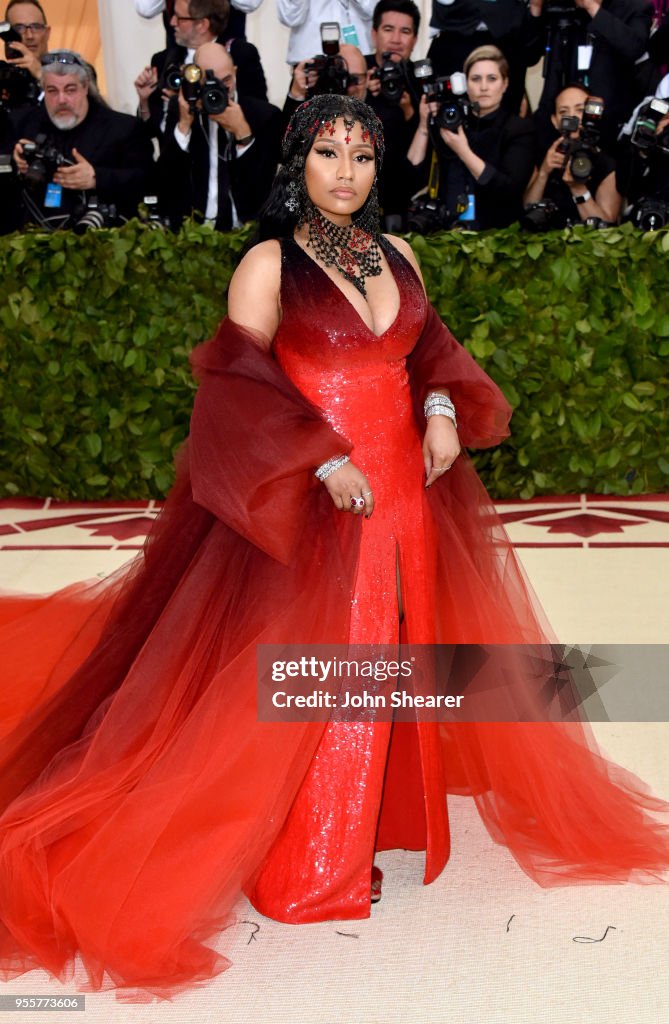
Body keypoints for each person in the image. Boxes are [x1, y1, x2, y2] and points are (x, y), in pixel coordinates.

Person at [1, 93, 669, 998]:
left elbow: (427, 351)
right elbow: (233, 388)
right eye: (328, 154)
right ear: (297, 164)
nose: (347, 171)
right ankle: (312, 860)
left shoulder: (399, 254)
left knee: (401, 640)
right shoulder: (267, 264)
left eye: (362, 154)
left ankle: (382, 814)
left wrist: (438, 412)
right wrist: (317, 464)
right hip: (314, 499)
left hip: (402, 489)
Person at [3, 49, 154, 230]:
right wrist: (14, 161)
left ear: (85, 87)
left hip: (103, 241)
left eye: (70, 89)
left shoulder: (123, 128)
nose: (61, 100)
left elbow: (149, 180)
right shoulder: (22, 124)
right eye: (52, 91)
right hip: (31, 239)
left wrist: (96, 178)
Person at [407, 45, 536, 230]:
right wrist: (423, 126)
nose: (483, 87)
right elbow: (413, 174)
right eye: (476, 79)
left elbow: (509, 189)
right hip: (446, 231)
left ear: (505, 83)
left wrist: (463, 151)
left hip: (498, 235)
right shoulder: (450, 120)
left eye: (492, 79)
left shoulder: (518, 129)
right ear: (465, 84)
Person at [157, 40, 282, 230]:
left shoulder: (264, 116)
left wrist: (243, 134)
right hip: (192, 231)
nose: (221, 89)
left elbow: (262, 190)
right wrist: (184, 126)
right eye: (211, 82)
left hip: (246, 230)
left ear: (236, 73)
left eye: (227, 81)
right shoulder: (181, 109)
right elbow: (167, 179)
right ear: (195, 80)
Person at [134, 0, 267, 139]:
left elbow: (260, 117)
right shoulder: (163, 61)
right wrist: (144, 102)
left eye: (179, 18)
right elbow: (149, 132)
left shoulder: (240, 55)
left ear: (202, 25)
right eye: (172, 15)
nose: (172, 22)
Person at [523, 83, 622, 228]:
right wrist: (543, 173)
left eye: (580, 110)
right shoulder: (542, 156)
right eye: (564, 112)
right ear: (555, 121)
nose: (572, 117)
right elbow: (527, 209)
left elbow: (606, 227)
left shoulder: (606, 163)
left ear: (592, 114)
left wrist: (578, 189)